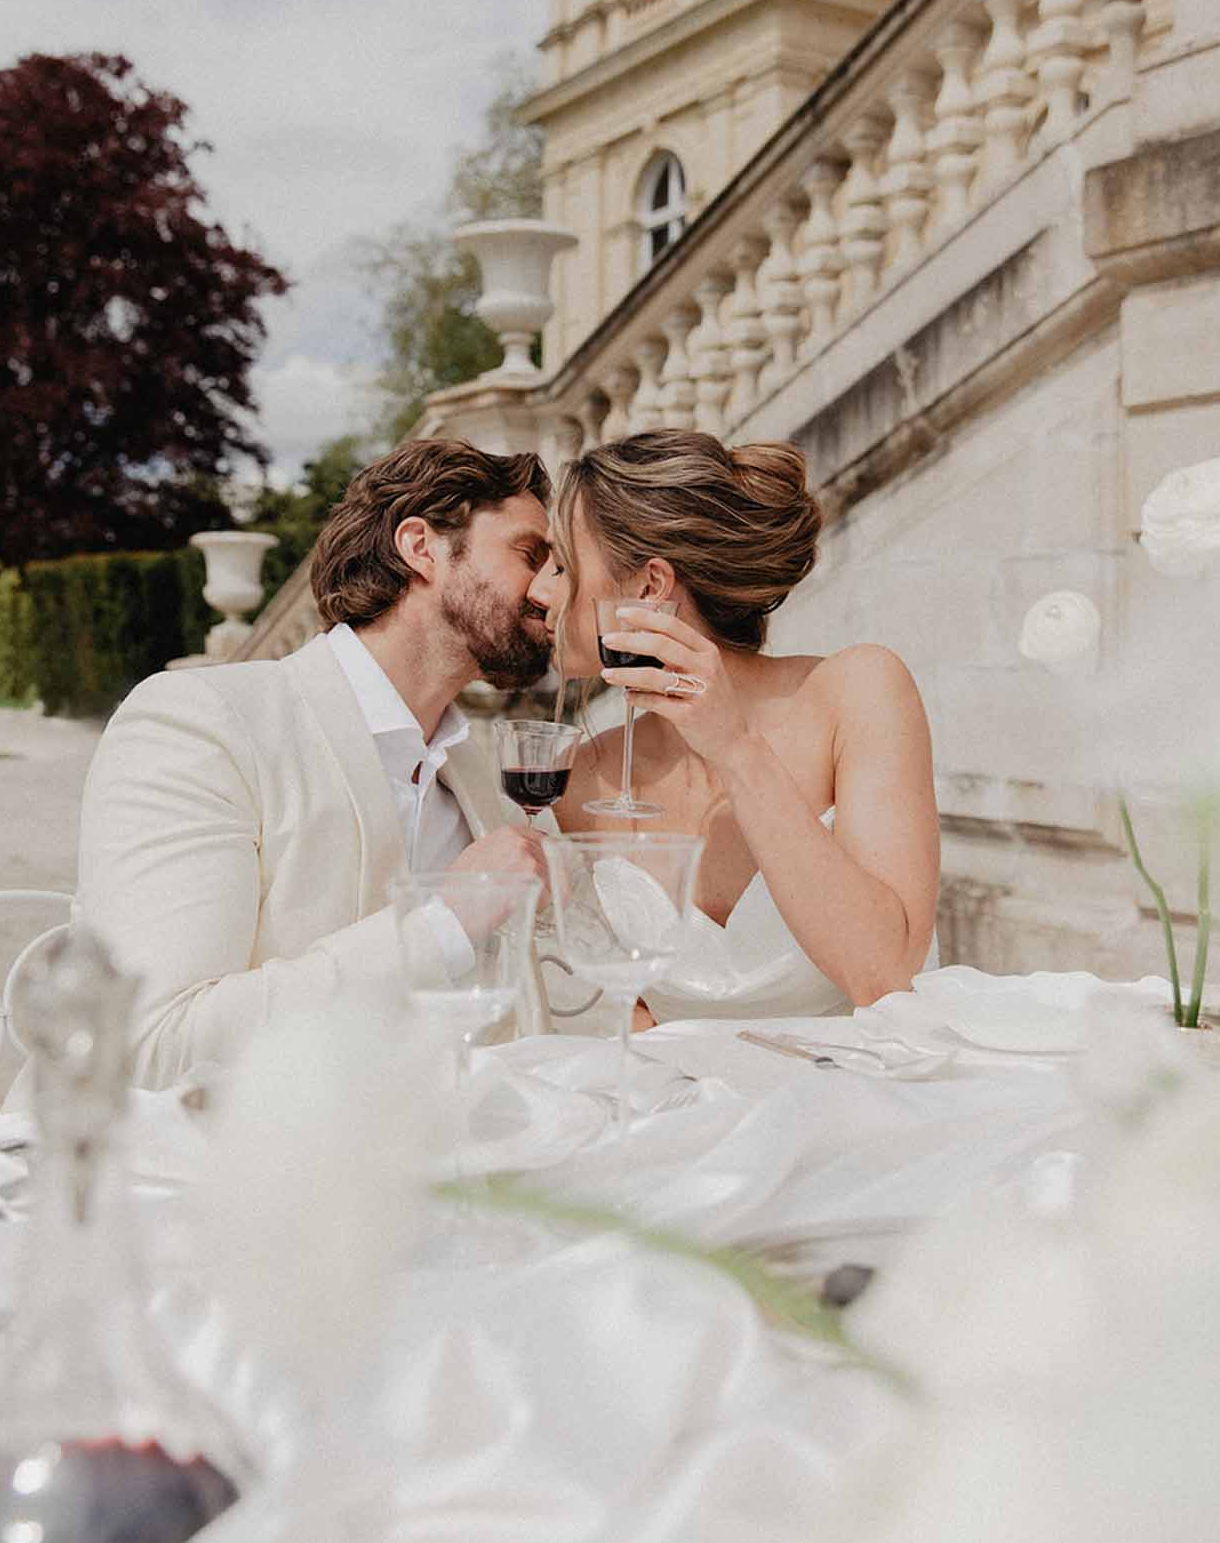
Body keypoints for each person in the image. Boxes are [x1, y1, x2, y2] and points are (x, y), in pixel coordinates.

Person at [75, 439, 555, 1086]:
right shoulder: (202, 724)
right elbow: (148, 1051)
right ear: (422, 548)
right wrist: (445, 924)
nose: (554, 589)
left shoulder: (479, 772)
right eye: (533, 555)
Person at [530, 429, 939, 1023]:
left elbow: (881, 975)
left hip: (856, 1096)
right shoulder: (583, 773)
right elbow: (624, 1013)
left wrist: (735, 748)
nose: (539, 592)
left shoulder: (859, 692)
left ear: (649, 586)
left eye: (562, 566)